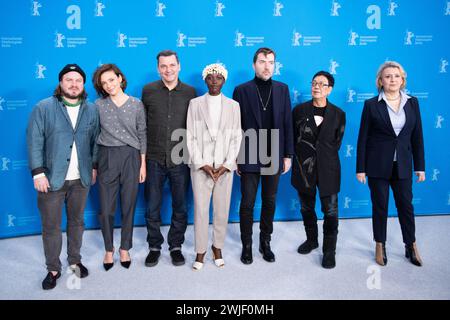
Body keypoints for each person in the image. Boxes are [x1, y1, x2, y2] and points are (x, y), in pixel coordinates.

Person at [26, 64, 99, 290]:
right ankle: (53, 268)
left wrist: (94, 166)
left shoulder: (91, 109)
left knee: (77, 222)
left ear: (83, 84)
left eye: (78, 80)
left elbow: (96, 141)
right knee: (51, 226)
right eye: (69, 80)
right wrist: (38, 172)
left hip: (82, 179)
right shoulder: (44, 107)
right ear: (61, 83)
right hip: (51, 179)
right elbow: (34, 140)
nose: (74, 84)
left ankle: (75, 260)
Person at [356, 61, 425, 267]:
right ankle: (380, 244)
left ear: (402, 79)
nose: (392, 79)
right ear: (380, 81)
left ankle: (410, 245)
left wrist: (420, 166)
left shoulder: (412, 103)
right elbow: (363, 139)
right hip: (377, 165)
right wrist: (360, 168)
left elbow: (417, 137)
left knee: (406, 206)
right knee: (380, 207)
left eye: (396, 76)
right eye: (388, 76)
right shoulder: (370, 104)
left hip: (403, 165)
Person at [233, 47, 294, 264]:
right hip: (249, 150)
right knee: (247, 202)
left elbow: (287, 122)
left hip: (274, 150)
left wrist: (288, 154)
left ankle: (264, 242)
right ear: (254, 64)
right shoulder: (241, 90)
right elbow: (235, 126)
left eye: (270, 62)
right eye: (262, 61)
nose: (267, 66)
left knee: (269, 201)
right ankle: (247, 245)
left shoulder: (282, 89)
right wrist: (236, 156)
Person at [142, 50, 197, 267]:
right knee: (152, 207)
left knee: (180, 206)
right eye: (163, 66)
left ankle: (176, 246)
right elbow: (142, 126)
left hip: (181, 159)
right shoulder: (148, 91)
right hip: (154, 158)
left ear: (179, 66)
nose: (168, 70)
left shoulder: (191, 93)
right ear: (158, 68)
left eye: (172, 65)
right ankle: (154, 246)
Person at [186, 63, 242, 270]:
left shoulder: (233, 105)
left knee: (221, 210)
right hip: (202, 168)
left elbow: (237, 136)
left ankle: (217, 247)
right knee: (200, 210)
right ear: (205, 80)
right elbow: (190, 136)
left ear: (224, 80)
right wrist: (202, 164)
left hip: (225, 169)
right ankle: (200, 251)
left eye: (218, 78)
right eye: (210, 78)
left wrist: (228, 164)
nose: (214, 81)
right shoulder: (195, 104)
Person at [92, 63, 147, 271]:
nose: (108, 85)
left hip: (131, 157)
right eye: (104, 83)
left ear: (120, 78)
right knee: (106, 209)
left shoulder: (136, 104)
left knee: (128, 205)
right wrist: (95, 165)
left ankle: (125, 247)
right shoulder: (97, 105)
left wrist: (142, 164)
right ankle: (109, 248)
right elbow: (94, 137)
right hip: (107, 156)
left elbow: (142, 134)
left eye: (111, 80)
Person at [291, 71, 346, 269]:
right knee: (306, 208)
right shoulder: (298, 111)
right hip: (303, 169)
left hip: (329, 169)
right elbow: (293, 139)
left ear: (329, 89)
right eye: (314, 83)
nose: (316, 87)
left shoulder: (339, 114)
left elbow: (336, 143)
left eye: (322, 84)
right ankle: (311, 240)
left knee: (331, 212)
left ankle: (329, 250)